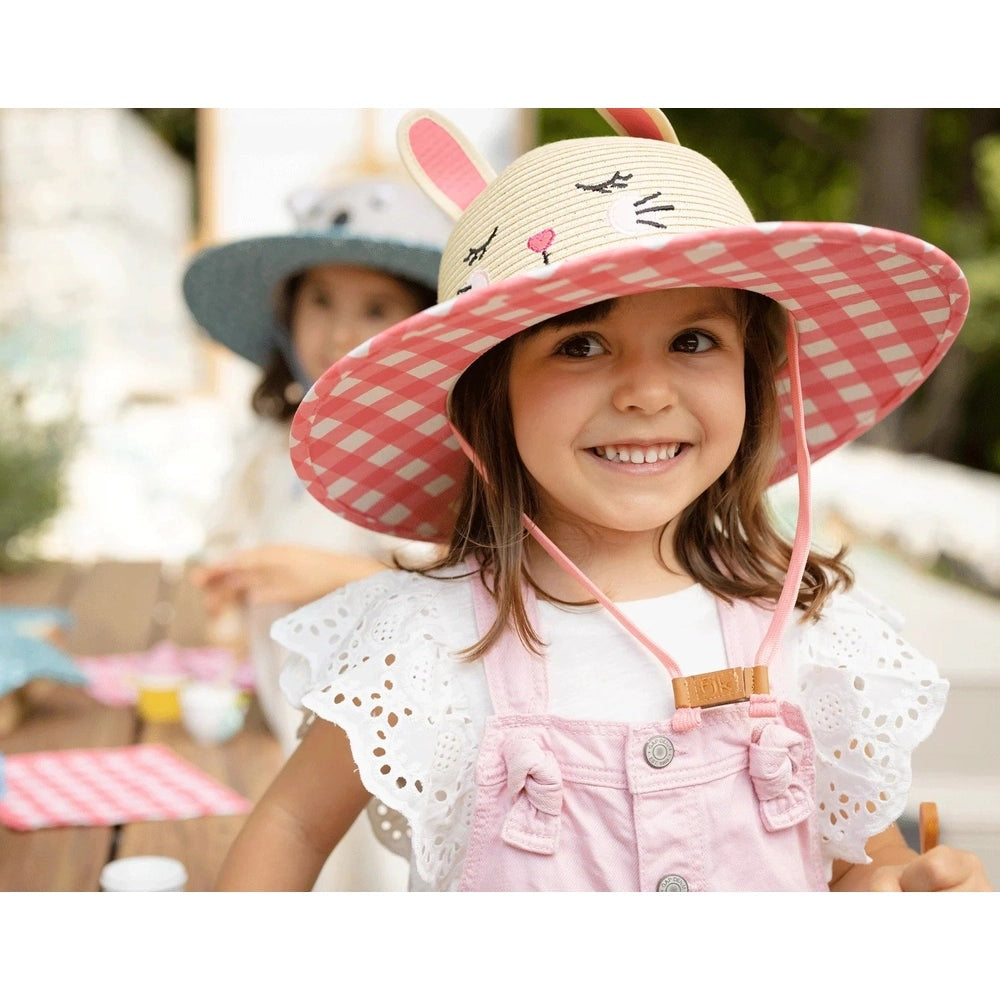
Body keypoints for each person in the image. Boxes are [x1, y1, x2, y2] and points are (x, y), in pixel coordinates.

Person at [215, 108, 993, 891]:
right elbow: (289, 823)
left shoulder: (810, 632)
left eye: (694, 341)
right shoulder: (427, 638)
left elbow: (860, 854)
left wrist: (900, 890)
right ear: (492, 398)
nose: (647, 392)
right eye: (580, 345)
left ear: (756, 382)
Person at [183, 173, 451, 890]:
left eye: (374, 308)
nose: (338, 332)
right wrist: (225, 587)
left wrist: (333, 577)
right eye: (320, 302)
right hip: (280, 722)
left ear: (424, 324)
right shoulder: (271, 444)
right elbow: (227, 539)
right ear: (286, 314)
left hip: (386, 750)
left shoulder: (439, 459)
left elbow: (472, 601)